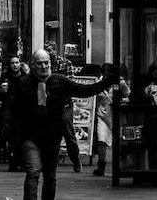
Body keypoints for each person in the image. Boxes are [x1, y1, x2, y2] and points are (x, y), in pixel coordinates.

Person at [9, 50, 119, 200]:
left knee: (50, 177)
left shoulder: (59, 81)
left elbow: (84, 90)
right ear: (33, 65)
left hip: (52, 137)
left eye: (46, 63)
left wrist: (107, 81)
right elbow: (15, 113)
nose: (43, 66)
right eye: (40, 63)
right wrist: (15, 141)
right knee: (33, 171)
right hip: (31, 137)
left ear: (50, 64)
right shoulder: (24, 83)